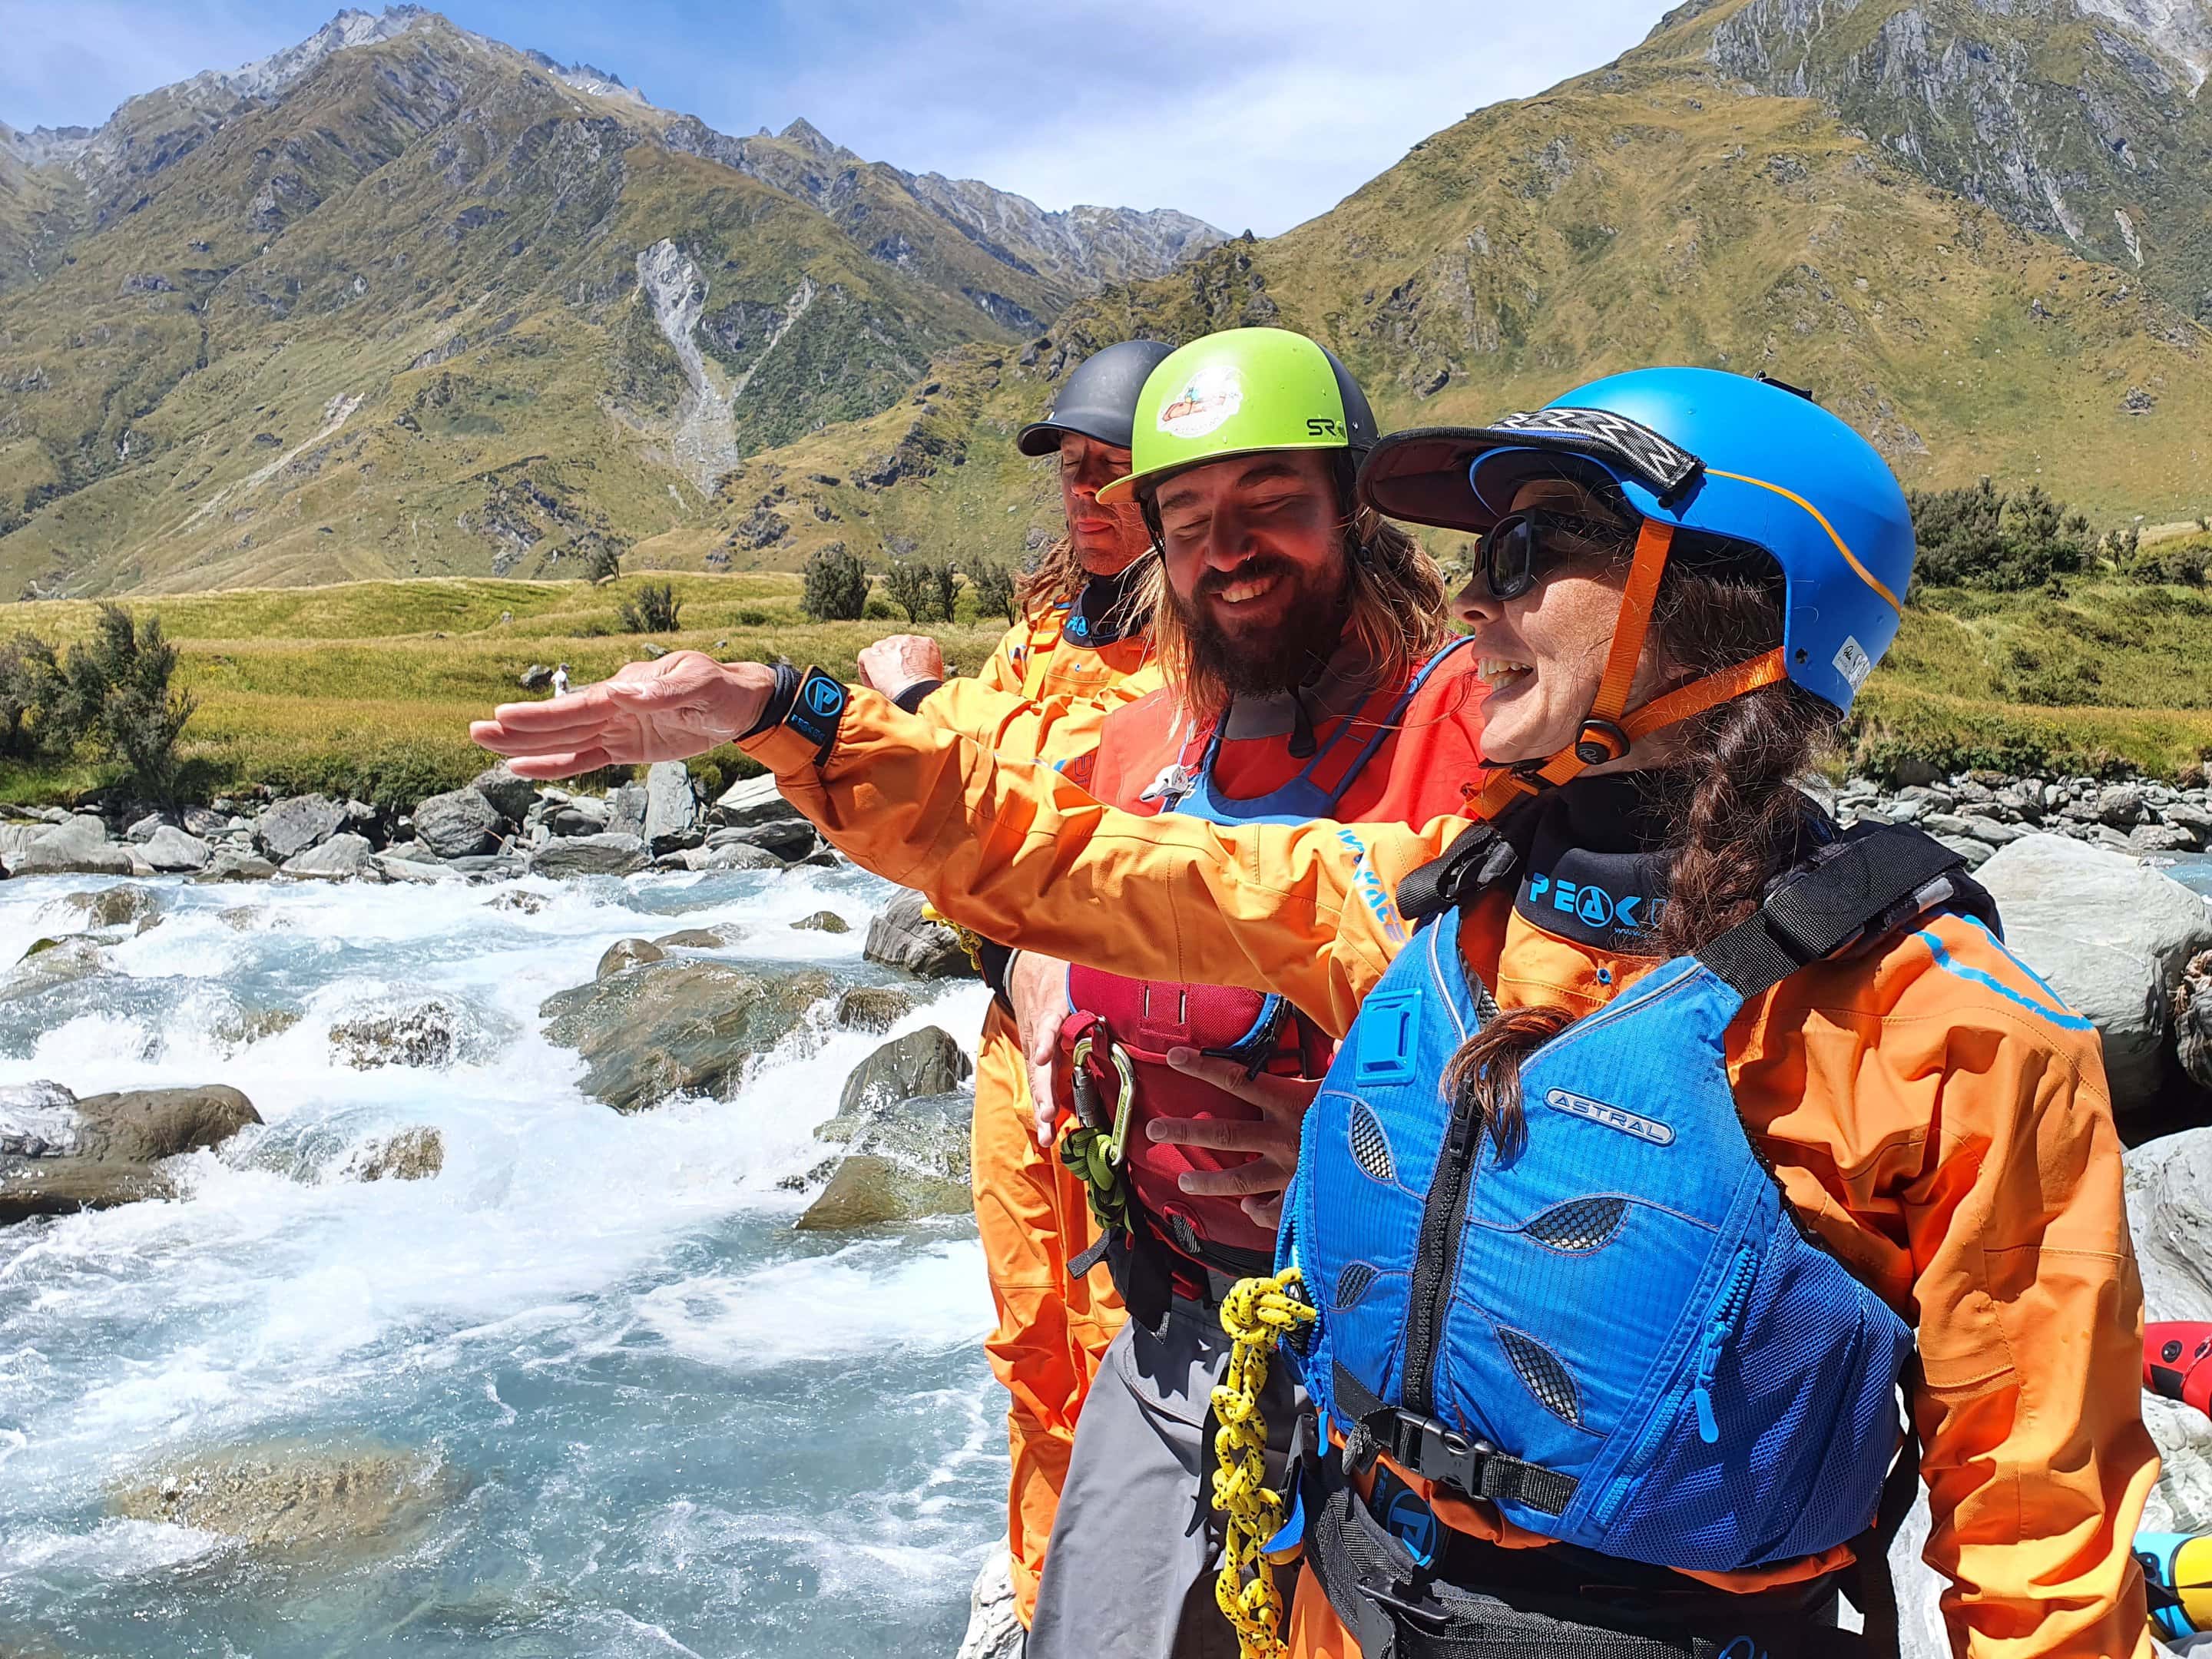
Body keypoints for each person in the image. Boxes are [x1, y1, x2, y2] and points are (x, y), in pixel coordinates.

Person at [475, 366, 2154, 1659]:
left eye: (1541, 549)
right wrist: (793, 713)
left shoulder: (1944, 1033)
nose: (1478, 594)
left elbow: (2039, 1535)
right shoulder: (1425, 900)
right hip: (1339, 1599)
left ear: (1732, 596)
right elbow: (1074, 855)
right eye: (1480, 554)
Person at [987, 327, 1485, 1659]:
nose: (1230, 546)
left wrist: (1349, 1157)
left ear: (1356, 510)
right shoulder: (1139, 743)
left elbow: (1564, 1039)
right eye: (1191, 515)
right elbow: (1049, 884)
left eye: (1273, 502)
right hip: (1170, 1328)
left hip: (1390, 1363)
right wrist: (1037, 954)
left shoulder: (1468, 733)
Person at [855, 336, 1174, 1644]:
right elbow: (958, 820)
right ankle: (1040, 1587)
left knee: (1124, 1349)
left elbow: (1048, 820)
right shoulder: (1044, 630)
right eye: (1072, 470)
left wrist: (923, 697)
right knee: (1031, 1336)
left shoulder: (1202, 658)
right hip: (1011, 1032)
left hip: (1134, 1058)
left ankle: (1140, 1610)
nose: (1084, 493)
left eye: (1111, 471)